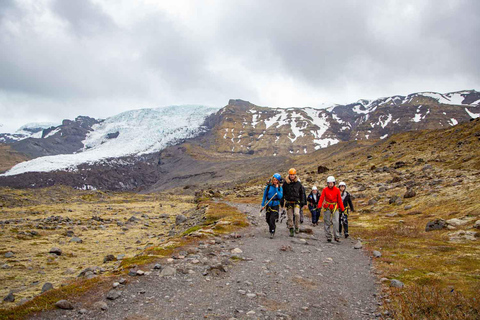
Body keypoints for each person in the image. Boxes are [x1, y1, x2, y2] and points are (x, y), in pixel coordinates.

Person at [318, 176, 345, 242]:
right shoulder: (325, 190)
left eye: (331, 183)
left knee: (336, 221)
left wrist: (342, 208)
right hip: (327, 206)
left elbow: (339, 200)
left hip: (335, 207)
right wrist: (319, 206)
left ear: (334, 183)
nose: (330, 185)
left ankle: (337, 236)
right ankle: (328, 236)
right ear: (327, 183)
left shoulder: (337, 190)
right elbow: (321, 198)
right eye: (329, 183)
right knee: (327, 221)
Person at [283, 168, 306, 237]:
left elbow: (302, 193)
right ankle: (291, 229)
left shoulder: (298, 183)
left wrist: (303, 202)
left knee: (296, 214)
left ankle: (297, 227)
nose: (292, 176)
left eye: (293, 175)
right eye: (291, 175)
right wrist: (282, 201)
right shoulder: (285, 184)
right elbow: (283, 193)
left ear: (295, 175)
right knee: (290, 217)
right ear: (289, 175)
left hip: (296, 202)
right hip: (289, 202)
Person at [261, 173, 283, 238]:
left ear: (278, 181)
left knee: (272, 219)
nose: (275, 181)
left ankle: (272, 231)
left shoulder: (279, 188)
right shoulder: (268, 187)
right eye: (274, 179)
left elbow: (280, 196)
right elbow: (264, 195)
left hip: (275, 205)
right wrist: (263, 204)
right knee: (267, 219)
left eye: (276, 180)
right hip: (268, 204)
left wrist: (276, 189)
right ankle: (272, 226)